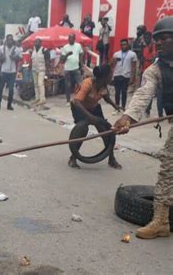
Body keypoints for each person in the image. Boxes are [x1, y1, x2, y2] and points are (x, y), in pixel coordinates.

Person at [114, 16, 173, 239]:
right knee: (168, 168)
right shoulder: (155, 70)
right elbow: (144, 94)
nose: (157, 43)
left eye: (164, 38)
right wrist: (128, 117)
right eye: (156, 39)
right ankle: (161, 221)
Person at [69, 64, 122, 169]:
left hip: (94, 107)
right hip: (80, 108)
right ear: (105, 77)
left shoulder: (102, 85)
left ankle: (111, 158)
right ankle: (73, 158)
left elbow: (105, 96)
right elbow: (77, 102)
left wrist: (114, 105)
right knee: (82, 130)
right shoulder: (88, 84)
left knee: (106, 130)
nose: (112, 77)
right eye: (110, 75)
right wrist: (90, 117)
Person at [0, 34, 22, 110]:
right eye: (8, 39)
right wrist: (1, 58)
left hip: (12, 72)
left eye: (11, 40)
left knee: (11, 89)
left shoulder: (16, 49)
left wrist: (14, 57)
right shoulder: (2, 48)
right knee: (0, 89)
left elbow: (20, 58)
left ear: (13, 41)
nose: (10, 41)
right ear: (6, 40)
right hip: (3, 71)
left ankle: (9, 105)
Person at [111, 38, 138, 113]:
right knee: (117, 92)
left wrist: (132, 78)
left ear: (128, 45)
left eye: (124, 44)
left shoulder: (132, 54)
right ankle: (116, 108)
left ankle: (123, 108)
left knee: (124, 92)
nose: (123, 46)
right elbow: (112, 65)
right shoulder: (116, 54)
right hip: (117, 74)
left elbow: (134, 67)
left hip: (126, 76)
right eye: (121, 45)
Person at [142, 32, 163, 117]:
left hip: (157, 72)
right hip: (147, 72)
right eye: (145, 37)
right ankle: (147, 110)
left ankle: (160, 114)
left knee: (160, 95)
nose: (146, 39)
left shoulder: (155, 46)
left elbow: (156, 57)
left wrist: (152, 59)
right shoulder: (145, 48)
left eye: (148, 37)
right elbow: (143, 59)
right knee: (148, 92)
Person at [62, 33, 84, 106]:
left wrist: (81, 65)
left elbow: (81, 54)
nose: (70, 39)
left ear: (74, 39)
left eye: (72, 38)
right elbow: (62, 60)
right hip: (67, 69)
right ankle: (68, 101)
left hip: (76, 68)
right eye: (69, 38)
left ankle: (81, 99)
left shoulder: (78, 46)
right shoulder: (65, 47)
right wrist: (67, 54)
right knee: (67, 85)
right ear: (68, 39)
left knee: (80, 84)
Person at [31, 38, 50, 106]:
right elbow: (32, 60)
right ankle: (37, 98)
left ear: (40, 43)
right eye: (35, 42)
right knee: (35, 84)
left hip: (42, 69)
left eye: (37, 42)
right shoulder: (33, 50)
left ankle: (42, 99)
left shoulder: (44, 50)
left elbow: (47, 60)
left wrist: (47, 70)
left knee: (40, 83)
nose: (36, 43)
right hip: (34, 69)